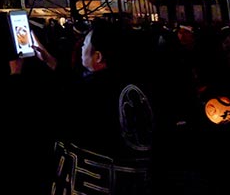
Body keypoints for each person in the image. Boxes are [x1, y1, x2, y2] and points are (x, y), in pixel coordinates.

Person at [52, 18, 154, 195]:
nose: (81, 48)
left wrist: (16, 74)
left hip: (95, 182)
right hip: (136, 181)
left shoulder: (91, 92)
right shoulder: (137, 81)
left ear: (98, 57)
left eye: (84, 44)